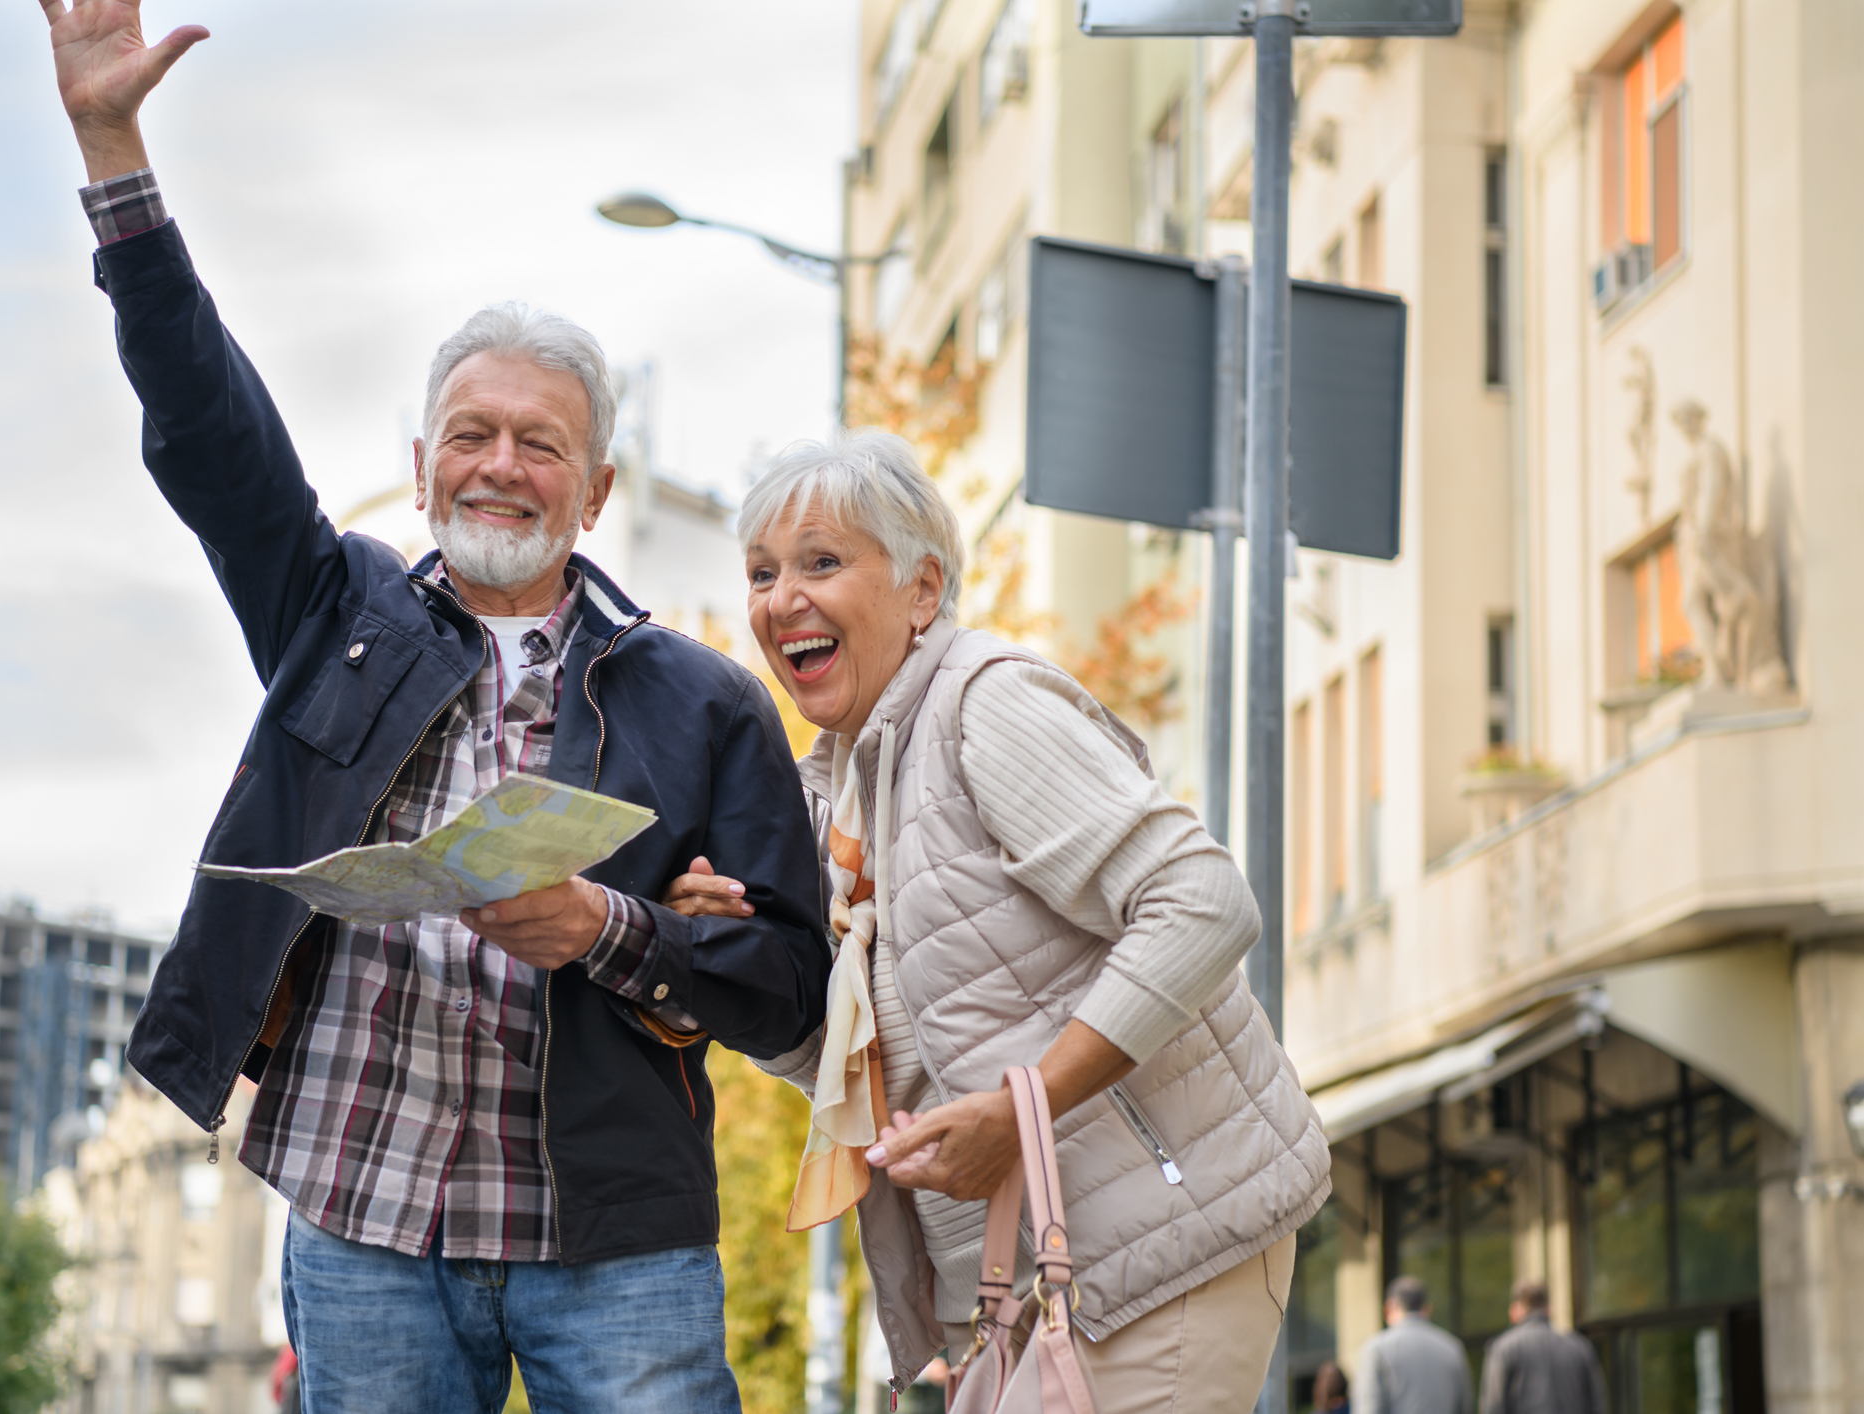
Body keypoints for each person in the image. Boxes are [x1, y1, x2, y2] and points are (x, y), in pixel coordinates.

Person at [35, 4, 832, 1410]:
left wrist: (613, 927)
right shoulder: (332, 611)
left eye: (541, 443)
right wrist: (114, 150)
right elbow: (207, 427)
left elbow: (786, 993)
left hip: (616, 1239)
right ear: (421, 465)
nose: (500, 465)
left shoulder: (707, 700)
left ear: (592, 492)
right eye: (471, 432)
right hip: (363, 1216)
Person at [662, 431, 1331, 1412]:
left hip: (1173, 1239)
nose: (780, 599)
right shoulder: (835, 795)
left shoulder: (986, 704)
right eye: (762, 572)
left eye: (821, 561)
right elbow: (849, 1063)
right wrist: (717, 955)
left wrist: (1025, 1109)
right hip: (1039, 1283)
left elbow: (1203, 902)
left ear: (923, 589)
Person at [1479, 1281, 1606, 1414]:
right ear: (1549, 1309)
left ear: (1516, 1309)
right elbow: (1597, 1402)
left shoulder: (1504, 1349)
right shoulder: (1579, 1346)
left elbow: (1493, 1406)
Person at [1353, 1277, 1473, 1414]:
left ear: (1389, 1307)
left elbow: (1370, 1408)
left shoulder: (1376, 1350)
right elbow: (1465, 1407)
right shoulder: (1453, 1348)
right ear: (1427, 1309)